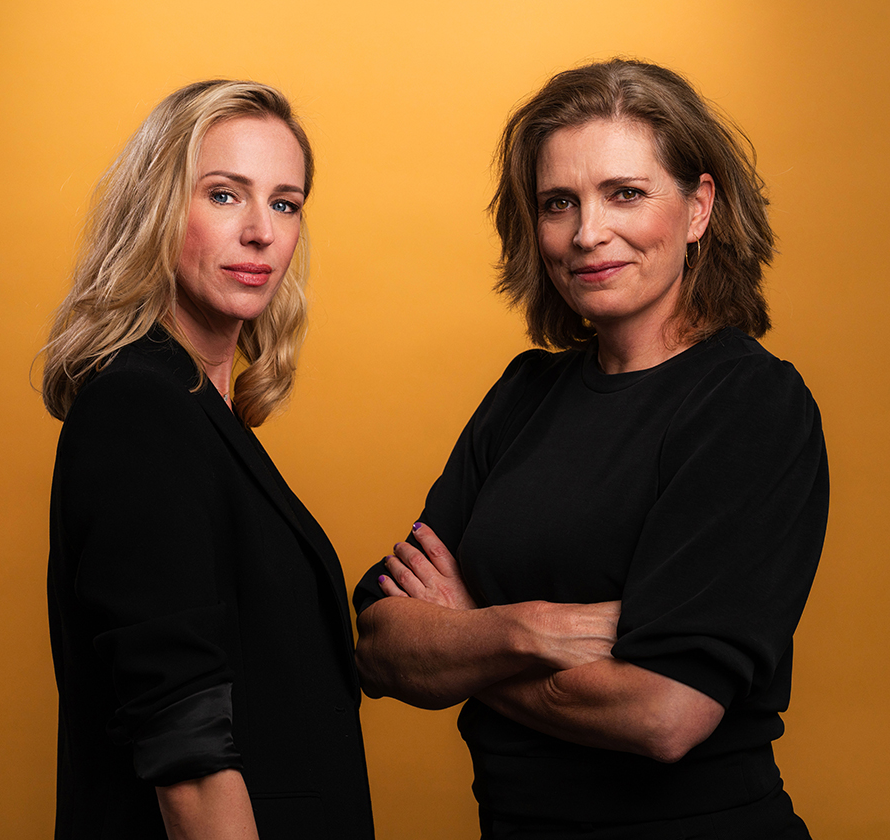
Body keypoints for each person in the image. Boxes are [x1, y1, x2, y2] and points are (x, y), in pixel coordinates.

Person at [354, 59, 828, 839]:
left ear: (699, 208)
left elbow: (664, 714)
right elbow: (379, 643)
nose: (586, 233)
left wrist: (465, 638)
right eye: (558, 203)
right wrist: (525, 630)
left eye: (625, 193)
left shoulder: (749, 404)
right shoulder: (524, 395)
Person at [42, 80, 374, 840]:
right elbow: (187, 754)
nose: (261, 232)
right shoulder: (139, 409)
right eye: (225, 195)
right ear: (157, 210)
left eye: (285, 204)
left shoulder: (200, 417)